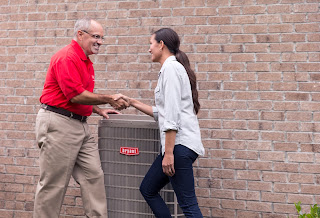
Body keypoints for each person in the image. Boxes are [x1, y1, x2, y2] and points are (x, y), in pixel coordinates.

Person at [33, 18, 128, 218]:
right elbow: (74, 95)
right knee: (54, 185)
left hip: (80, 126)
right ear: (80, 34)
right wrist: (109, 99)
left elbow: (78, 95)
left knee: (93, 176)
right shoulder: (67, 57)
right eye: (96, 36)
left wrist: (98, 109)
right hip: (59, 124)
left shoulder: (85, 61)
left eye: (102, 38)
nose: (100, 41)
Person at [118, 28, 205, 218]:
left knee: (188, 205)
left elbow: (171, 116)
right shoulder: (169, 69)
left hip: (179, 148)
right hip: (179, 147)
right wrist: (132, 102)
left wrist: (169, 153)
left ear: (161, 44)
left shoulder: (171, 69)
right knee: (148, 189)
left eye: (151, 43)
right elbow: (164, 113)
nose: (149, 49)